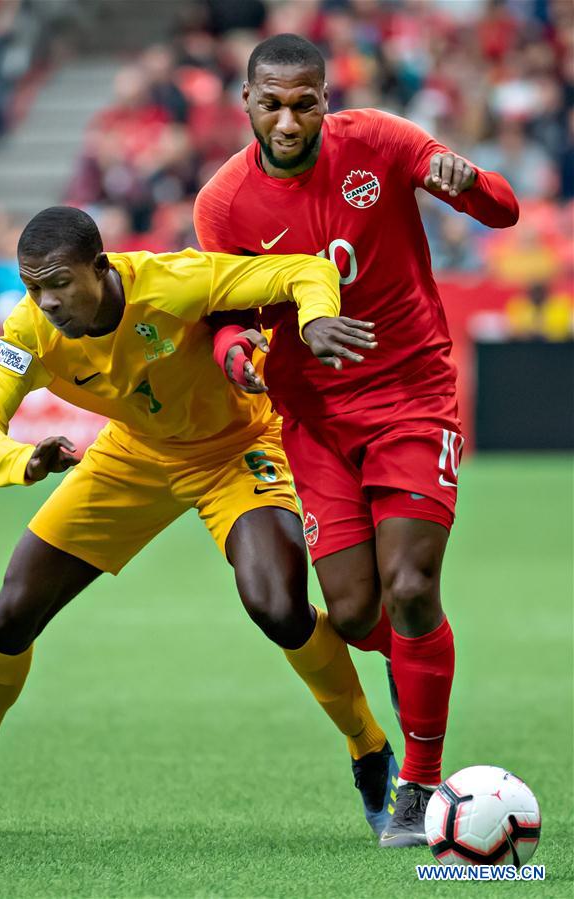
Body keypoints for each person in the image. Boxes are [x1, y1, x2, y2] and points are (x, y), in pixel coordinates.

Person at [0, 205, 397, 838]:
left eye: (58, 283)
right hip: (134, 456)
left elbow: (301, 272)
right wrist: (23, 459)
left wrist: (317, 317)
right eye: (32, 287)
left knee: (277, 606)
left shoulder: (174, 281)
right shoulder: (28, 333)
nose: (44, 301)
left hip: (235, 450)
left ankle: (370, 752)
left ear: (99, 268)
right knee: (10, 614)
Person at [194, 33, 520, 848]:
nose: (289, 118)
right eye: (272, 102)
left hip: (411, 394)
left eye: (305, 101)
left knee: (410, 585)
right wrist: (237, 353)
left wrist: (466, 180)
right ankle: (418, 656)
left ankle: (418, 784)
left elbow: (503, 209)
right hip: (313, 422)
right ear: (247, 104)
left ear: (326, 99)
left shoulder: (381, 141)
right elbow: (224, 315)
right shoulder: (224, 203)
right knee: (353, 608)